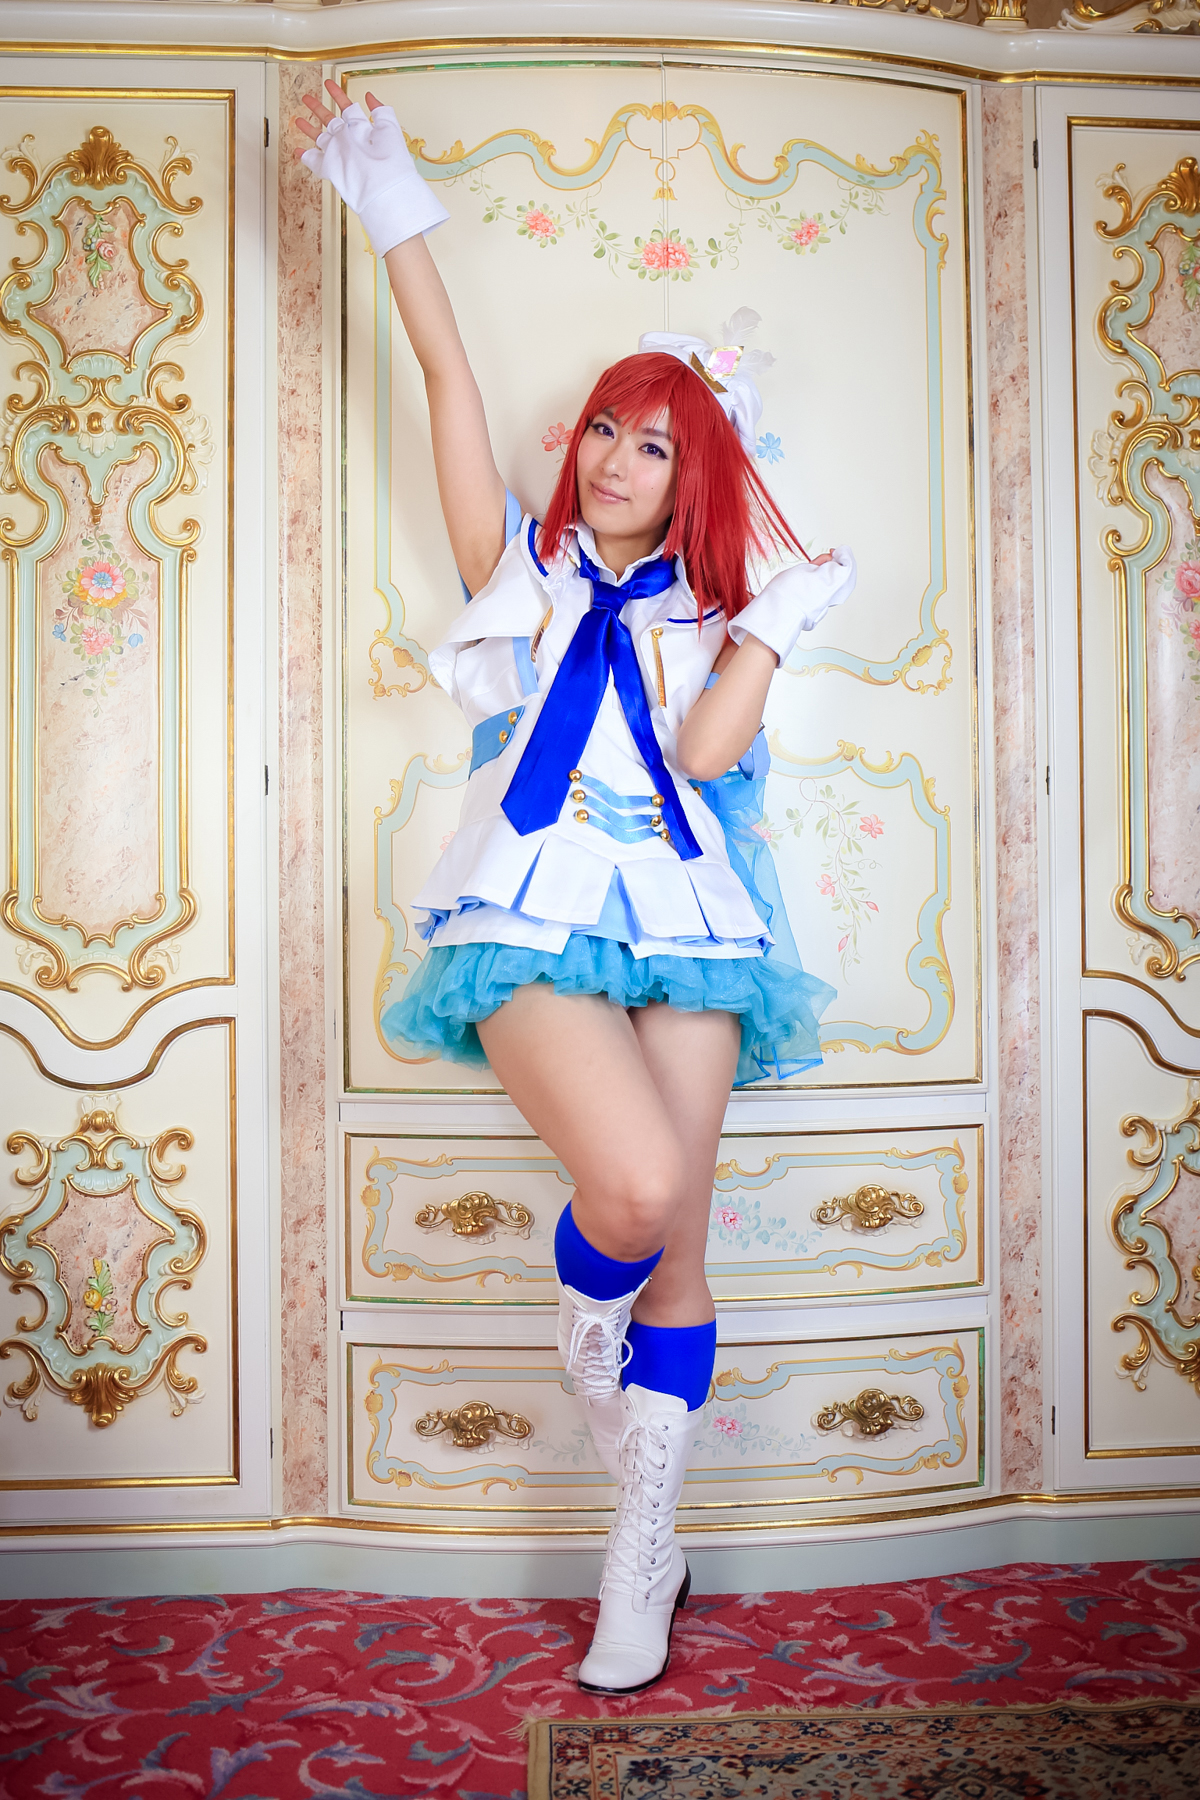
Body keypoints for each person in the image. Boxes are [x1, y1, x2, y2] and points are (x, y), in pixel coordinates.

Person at [296, 83, 856, 1696]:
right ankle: (584, 1340)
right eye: (606, 427)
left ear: (695, 476)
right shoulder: (520, 575)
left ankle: (643, 1552)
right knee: (631, 1192)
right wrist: (385, 195)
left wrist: (770, 630)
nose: (614, 456)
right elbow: (447, 378)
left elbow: (707, 753)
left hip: (691, 919)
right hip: (529, 911)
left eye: (655, 442)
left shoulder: (711, 616)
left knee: (681, 1242)